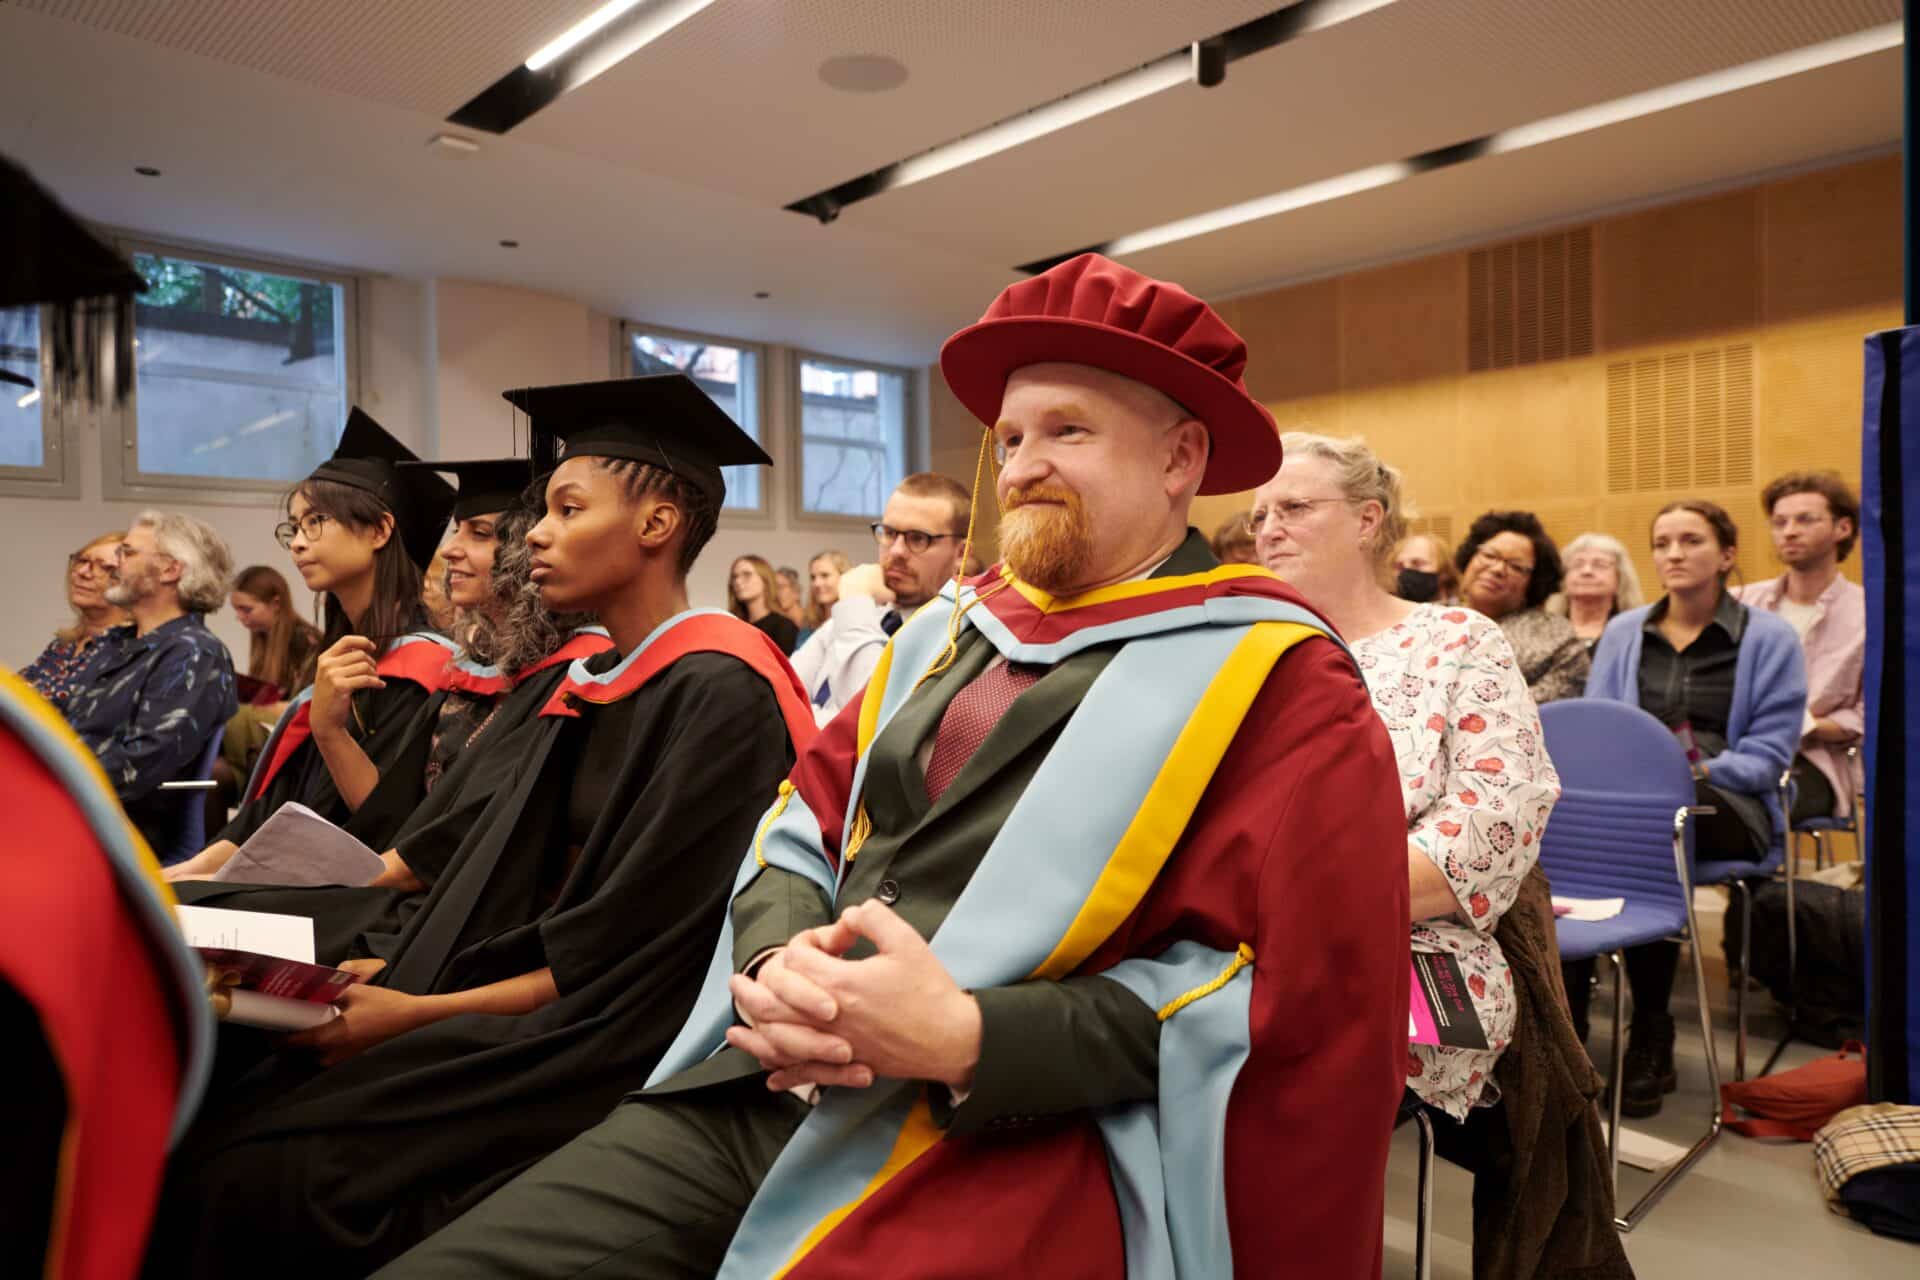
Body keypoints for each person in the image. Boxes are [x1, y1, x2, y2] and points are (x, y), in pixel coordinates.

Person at [381, 253, 1409, 1279]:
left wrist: (971, 1034)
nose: (1020, 468)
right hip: (773, 1081)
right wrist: (780, 965)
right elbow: (800, 820)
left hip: (1011, 1131)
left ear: (1182, 456)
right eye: (1008, 437)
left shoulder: (1282, 680)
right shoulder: (945, 632)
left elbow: (1286, 1001)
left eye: (1068, 431)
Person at [149, 375, 816, 1279]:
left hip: (592, 1039)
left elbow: (630, 960)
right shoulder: (599, 680)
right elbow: (492, 876)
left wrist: (416, 1013)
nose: (533, 533)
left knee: (271, 1171)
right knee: (238, 1088)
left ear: (657, 526)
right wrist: (402, 969)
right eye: (538, 511)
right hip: (518, 993)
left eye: (566, 508)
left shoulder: (718, 690)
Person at [174, 463, 613, 968]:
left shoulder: (570, 677)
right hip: (400, 892)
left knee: (188, 914)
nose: (450, 551)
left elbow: (435, 846)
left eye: (480, 534)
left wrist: (273, 881)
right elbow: (391, 814)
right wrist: (329, 729)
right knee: (184, 908)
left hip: (450, 915)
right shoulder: (471, 675)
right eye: (456, 531)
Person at [1250, 432, 1557, 1121]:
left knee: (1253, 1069)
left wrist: (1293, 899)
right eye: (1259, 516)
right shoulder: (1246, 655)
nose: (1270, 529)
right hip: (1246, 943)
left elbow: (1492, 825)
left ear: (1369, 519)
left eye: (1293, 507)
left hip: (1406, 948)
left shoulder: (1457, 641)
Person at [1575, 499, 1806, 1117]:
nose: (1673, 554)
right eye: (1662, 543)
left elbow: (1769, 756)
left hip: (1729, 805)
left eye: (1691, 541)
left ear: (1727, 555)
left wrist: (1683, 771)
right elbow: (1599, 731)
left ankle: (1650, 1027)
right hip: (1632, 809)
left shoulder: (1771, 639)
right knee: (1564, 825)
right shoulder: (1625, 633)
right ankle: (1564, 1029)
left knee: (1647, 826)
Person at [164, 408, 458, 879]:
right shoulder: (342, 655)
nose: (297, 543)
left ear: (380, 530)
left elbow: (387, 826)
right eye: (295, 527)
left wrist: (329, 731)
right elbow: (274, 814)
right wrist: (180, 874)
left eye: (315, 521)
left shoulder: (423, 667)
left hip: (363, 892)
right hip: (297, 874)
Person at [61, 512, 238, 860]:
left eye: (127, 553)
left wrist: (46, 783)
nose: (115, 564)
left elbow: (139, 767)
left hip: (119, 835)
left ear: (171, 570)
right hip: (75, 814)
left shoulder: (194, 652)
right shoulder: (118, 643)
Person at [788, 473, 970, 722]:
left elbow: (869, 724)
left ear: (961, 552)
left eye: (918, 538)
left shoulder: (958, 636)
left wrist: (854, 600)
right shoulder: (866, 615)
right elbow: (783, 693)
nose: (896, 551)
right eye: (889, 533)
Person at [1736, 471, 1865, 822]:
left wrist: (1803, 723)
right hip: (1734, 751)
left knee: (1739, 804)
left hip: (1814, 761)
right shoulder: (1740, 603)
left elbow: (1870, 716)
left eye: (1805, 520)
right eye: (1780, 522)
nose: (1789, 531)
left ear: (1843, 528)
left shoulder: (1871, 614)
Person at [212, 565, 325, 819]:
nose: (241, 618)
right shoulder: (263, 641)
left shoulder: (308, 642)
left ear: (275, 603)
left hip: (293, 746)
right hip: (264, 742)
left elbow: (304, 706)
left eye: (246, 609)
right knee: (212, 774)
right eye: (237, 611)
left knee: (230, 721)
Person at [1455, 511, 1589, 703]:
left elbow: (1544, 710)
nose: (1497, 569)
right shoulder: (1426, 621)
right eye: (1490, 555)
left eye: (1516, 567)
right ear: (1469, 558)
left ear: (1534, 583)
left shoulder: (1557, 638)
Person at [21, 532, 131, 712]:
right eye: (82, 561)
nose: (83, 572)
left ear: (131, 585)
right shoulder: (62, 646)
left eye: (105, 567)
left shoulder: (127, 653)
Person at [1546, 533, 1644, 653]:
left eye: (1600, 565)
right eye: (1577, 564)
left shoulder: (1636, 634)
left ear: (1620, 578)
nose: (1586, 571)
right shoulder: (1543, 632)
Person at [728, 554, 800, 651]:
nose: (738, 581)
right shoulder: (733, 627)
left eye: (747, 574)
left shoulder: (784, 627)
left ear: (765, 579)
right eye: (734, 576)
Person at [1392, 531, 1460, 605]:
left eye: (1417, 563)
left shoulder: (1462, 614)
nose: (1406, 570)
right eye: (1399, 566)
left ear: (1444, 571)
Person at [803, 549, 850, 631]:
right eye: (813, 577)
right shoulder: (808, 625)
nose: (816, 583)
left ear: (843, 576)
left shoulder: (856, 624)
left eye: (825, 575)